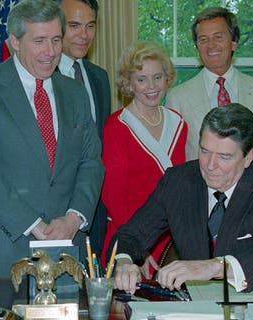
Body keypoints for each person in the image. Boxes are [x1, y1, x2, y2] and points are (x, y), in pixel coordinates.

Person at [0, 0, 103, 278]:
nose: (50, 52)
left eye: (56, 40)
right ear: (15, 41)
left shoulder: (75, 93)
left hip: (64, 253)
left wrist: (73, 218)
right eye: (39, 41)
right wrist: (36, 226)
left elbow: (91, 162)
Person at [111, 104, 253, 293]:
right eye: (205, 151)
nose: (210, 165)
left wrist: (214, 267)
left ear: (248, 156)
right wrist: (124, 261)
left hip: (251, 300)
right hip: (192, 304)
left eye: (224, 157)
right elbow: (131, 234)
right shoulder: (178, 181)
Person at [100, 41, 187, 277]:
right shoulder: (116, 126)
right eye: (141, 79)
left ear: (167, 78)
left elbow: (182, 189)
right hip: (128, 238)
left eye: (157, 77)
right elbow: (114, 198)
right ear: (129, 84)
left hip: (171, 241)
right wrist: (139, 247)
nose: (151, 86)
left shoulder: (178, 123)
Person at [165, 7, 253, 162]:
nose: (211, 45)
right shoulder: (176, 98)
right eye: (203, 39)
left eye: (218, 37)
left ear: (234, 43)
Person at [55, 0, 111, 255]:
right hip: (52, 214)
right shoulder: (41, 75)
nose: (84, 35)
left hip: (93, 209)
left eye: (90, 26)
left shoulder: (99, 77)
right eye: (74, 25)